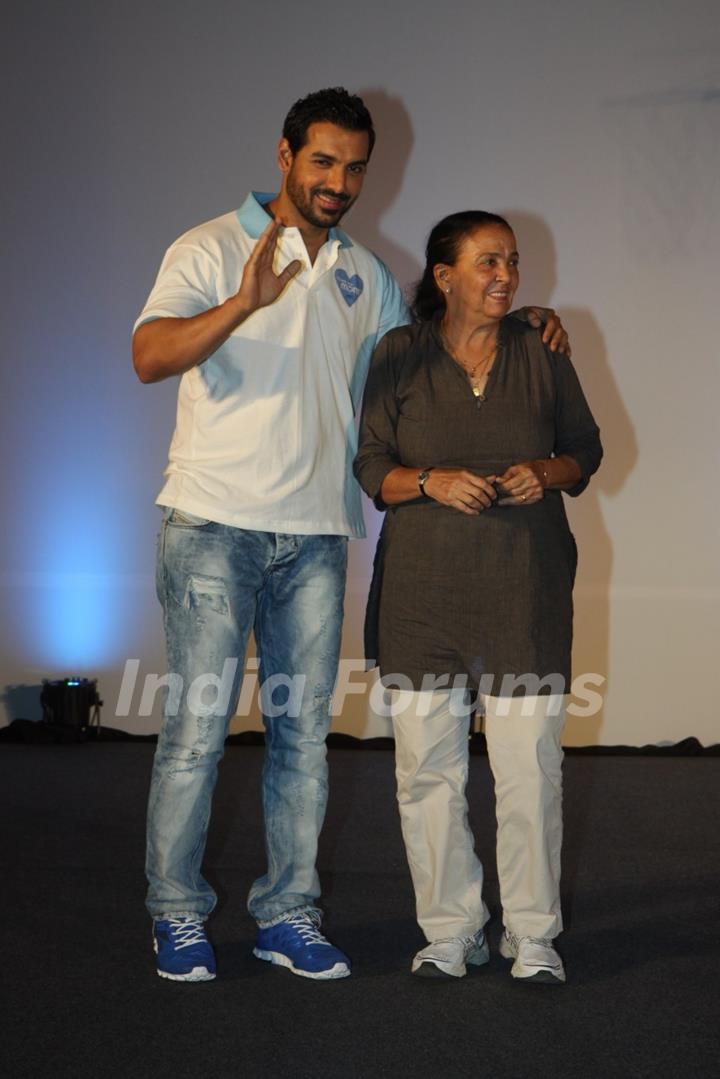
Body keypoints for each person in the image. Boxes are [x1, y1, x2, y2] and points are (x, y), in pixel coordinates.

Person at [133, 90, 570, 984]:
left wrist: (514, 318)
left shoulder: (362, 273)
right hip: (213, 524)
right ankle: (177, 915)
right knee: (196, 733)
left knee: (301, 741)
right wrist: (243, 302)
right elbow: (149, 355)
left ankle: (287, 913)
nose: (338, 182)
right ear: (286, 153)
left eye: (355, 166)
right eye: (323, 161)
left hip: (318, 539)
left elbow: (424, 349)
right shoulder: (211, 246)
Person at [354, 211, 602, 985]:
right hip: (422, 596)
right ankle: (450, 928)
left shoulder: (544, 350)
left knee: (530, 768)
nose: (506, 276)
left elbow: (585, 450)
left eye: (513, 262)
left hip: (523, 590)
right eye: (488, 261)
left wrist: (547, 472)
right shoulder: (397, 354)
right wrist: (430, 481)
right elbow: (372, 467)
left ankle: (532, 933)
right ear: (444, 274)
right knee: (427, 769)